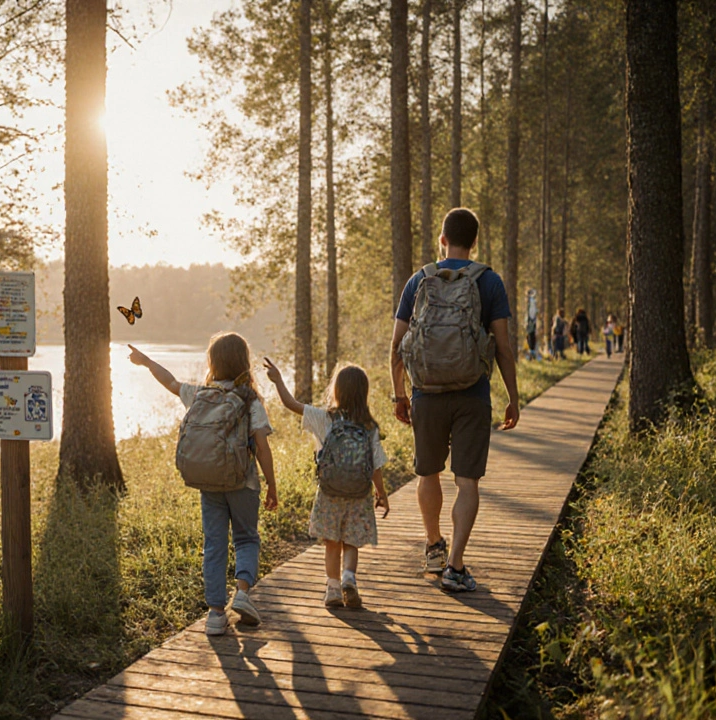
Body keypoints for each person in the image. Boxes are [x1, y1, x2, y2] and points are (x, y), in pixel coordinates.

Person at [390, 207, 520, 593]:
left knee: (428, 473)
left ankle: (433, 547)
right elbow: (503, 348)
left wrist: (400, 394)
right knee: (467, 482)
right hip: (472, 394)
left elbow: (396, 347)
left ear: (442, 239)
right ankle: (455, 566)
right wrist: (513, 398)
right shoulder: (489, 281)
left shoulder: (419, 280)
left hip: (426, 393)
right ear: (474, 242)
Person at [128, 333, 278, 635]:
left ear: (213, 362)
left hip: (209, 483)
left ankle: (215, 614)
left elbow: (171, 382)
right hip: (244, 483)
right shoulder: (249, 399)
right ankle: (243, 593)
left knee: (214, 544)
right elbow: (262, 447)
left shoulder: (200, 394)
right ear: (243, 363)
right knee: (246, 538)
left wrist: (146, 362)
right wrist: (272, 486)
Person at [265, 360, 389, 608]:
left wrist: (278, 380)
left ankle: (333, 588)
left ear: (337, 390)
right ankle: (348, 578)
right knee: (351, 541)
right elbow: (375, 465)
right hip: (359, 494)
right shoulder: (369, 426)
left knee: (332, 543)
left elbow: (291, 404)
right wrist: (381, 493)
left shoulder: (324, 418)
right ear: (363, 393)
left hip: (330, 493)